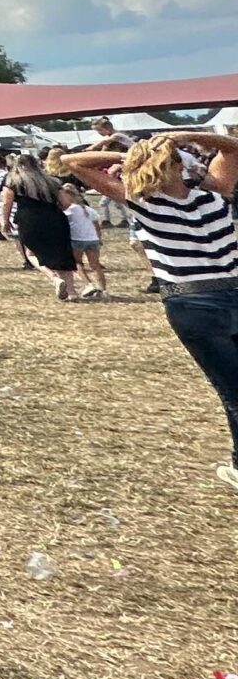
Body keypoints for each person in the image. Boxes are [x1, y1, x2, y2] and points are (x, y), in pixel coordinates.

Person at [63, 134, 238, 489]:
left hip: (192, 303)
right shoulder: (214, 193)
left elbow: (71, 162)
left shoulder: (142, 202)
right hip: (232, 290)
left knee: (233, 390)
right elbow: (232, 147)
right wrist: (185, 137)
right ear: (179, 163)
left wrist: (131, 154)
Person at [0, 153, 78, 300]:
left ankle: (55, 278)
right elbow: (66, 203)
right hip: (55, 218)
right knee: (63, 254)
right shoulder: (52, 181)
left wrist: (5, 221)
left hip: (29, 219)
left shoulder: (13, 181)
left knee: (31, 253)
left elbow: (6, 203)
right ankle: (72, 291)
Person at [55, 160, 110, 299]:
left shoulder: (69, 211)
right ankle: (103, 290)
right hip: (92, 239)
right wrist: (99, 238)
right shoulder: (88, 209)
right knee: (95, 266)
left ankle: (88, 284)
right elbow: (96, 225)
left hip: (77, 240)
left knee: (77, 263)